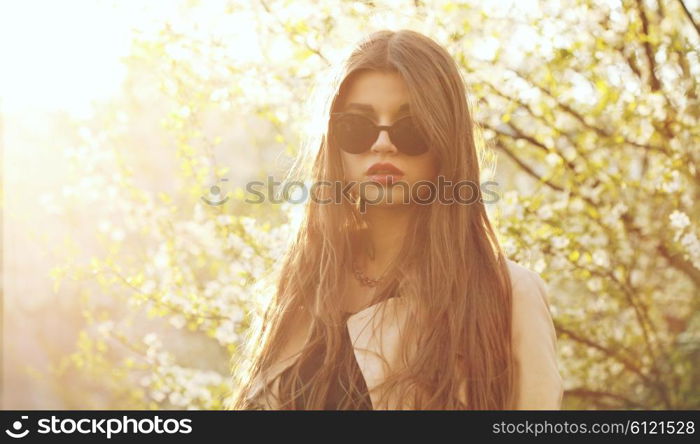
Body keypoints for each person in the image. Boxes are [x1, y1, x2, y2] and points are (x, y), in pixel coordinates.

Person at [229, 29, 563, 410]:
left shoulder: (508, 296)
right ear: (332, 144)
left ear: (445, 140)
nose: (382, 144)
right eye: (357, 126)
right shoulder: (299, 287)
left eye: (411, 128)